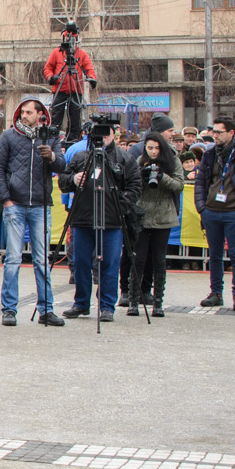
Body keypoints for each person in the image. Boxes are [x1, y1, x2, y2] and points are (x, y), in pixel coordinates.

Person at [0, 97, 65, 327]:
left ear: (40, 114)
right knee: (12, 259)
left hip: (41, 204)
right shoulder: (9, 136)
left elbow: (61, 165)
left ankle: (46, 309)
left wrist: (51, 156)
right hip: (16, 203)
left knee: (42, 260)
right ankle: (9, 309)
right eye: (22, 112)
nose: (25, 116)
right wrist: (6, 200)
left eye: (29, 112)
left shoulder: (50, 136)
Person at [63, 117, 141, 321]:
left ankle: (107, 306)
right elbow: (63, 181)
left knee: (110, 264)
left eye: (107, 133)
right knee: (80, 263)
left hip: (112, 220)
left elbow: (135, 188)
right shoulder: (81, 157)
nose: (103, 137)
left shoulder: (124, 158)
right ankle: (81, 303)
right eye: (99, 134)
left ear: (114, 134)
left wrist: (119, 206)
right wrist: (73, 179)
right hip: (83, 218)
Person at [192, 117, 235, 310]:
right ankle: (216, 293)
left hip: (234, 213)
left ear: (231, 133)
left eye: (218, 132)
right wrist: (201, 207)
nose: (214, 135)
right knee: (214, 255)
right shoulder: (209, 154)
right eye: (213, 132)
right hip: (211, 212)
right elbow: (201, 182)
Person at [128, 132, 184, 317]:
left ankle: (158, 303)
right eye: (149, 148)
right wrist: (142, 176)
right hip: (142, 213)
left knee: (159, 259)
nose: (153, 152)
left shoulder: (173, 161)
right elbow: (132, 185)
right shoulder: (139, 161)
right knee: (139, 258)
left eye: (156, 148)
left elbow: (179, 185)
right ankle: (133, 301)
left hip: (164, 214)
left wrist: (162, 176)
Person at [43, 23, 98, 139]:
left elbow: (88, 68)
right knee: (56, 117)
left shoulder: (81, 54)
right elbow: (47, 68)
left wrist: (92, 78)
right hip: (60, 89)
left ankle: (72, 139)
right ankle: (53, 138)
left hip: (75, 90)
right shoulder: (57, 52)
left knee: (75, 120)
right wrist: (51, 77)